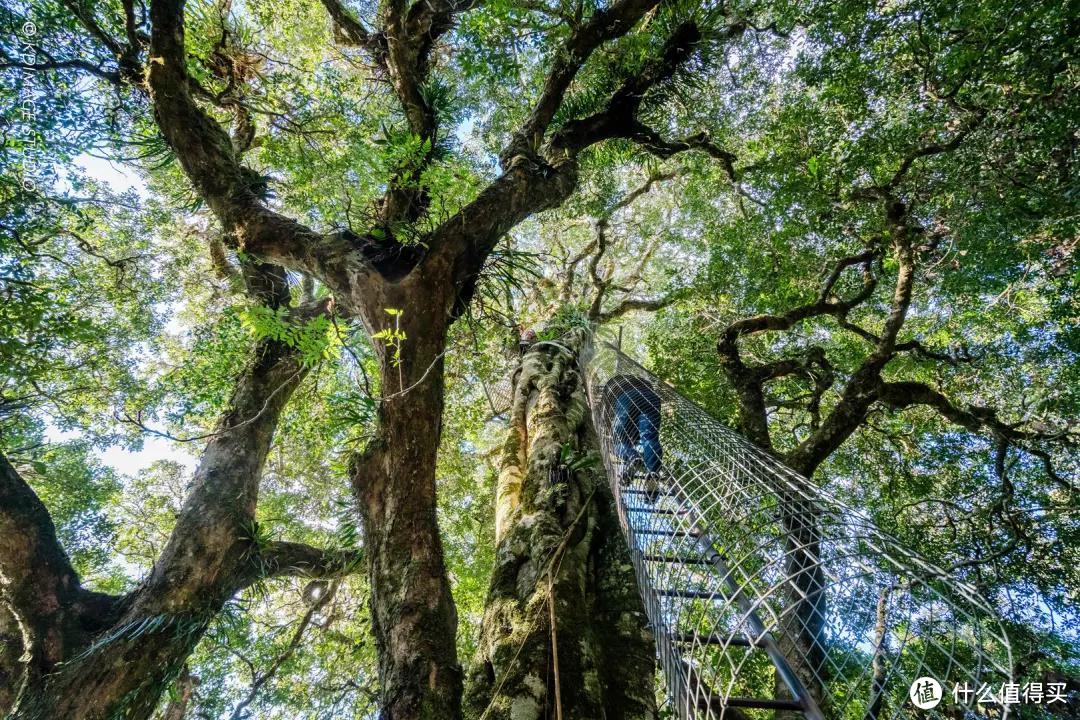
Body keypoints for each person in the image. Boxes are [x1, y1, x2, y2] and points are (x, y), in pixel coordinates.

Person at [602, 374, 663, 500]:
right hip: (651, 397)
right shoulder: (642, 381)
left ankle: (632, 457)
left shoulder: (617, 387)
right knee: (650, 438)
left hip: (627, 397)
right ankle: (653, 473)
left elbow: (607, 416)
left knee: (616, 443)